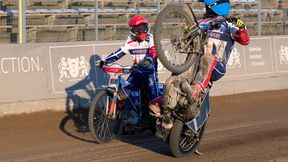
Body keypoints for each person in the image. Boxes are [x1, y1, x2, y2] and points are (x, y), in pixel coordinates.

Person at [162, 0, 250, 129]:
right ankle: (166, 113)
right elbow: (186, 39)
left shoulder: (230, 25)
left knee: (208, 57)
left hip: (216, 65)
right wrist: (185, 33)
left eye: (207, 6)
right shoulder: (202, 23)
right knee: (173, 79)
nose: (206, 8)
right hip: (194, 63)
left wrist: (242, 28)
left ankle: (195, 90)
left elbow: (245, 41)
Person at [99, 15, 162, 116]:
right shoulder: (129, 41)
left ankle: (163, 116)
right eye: (138, 29)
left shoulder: (151, 38)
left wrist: (150, 59)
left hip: (150, 72)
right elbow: (119, 53)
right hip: (136, 72)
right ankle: (124, 113)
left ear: (147, 28)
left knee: (154, 96)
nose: (141, 32)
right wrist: (105, 60)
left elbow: (154, 51)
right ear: (132, 31)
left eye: (143, 28)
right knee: (124, 91)